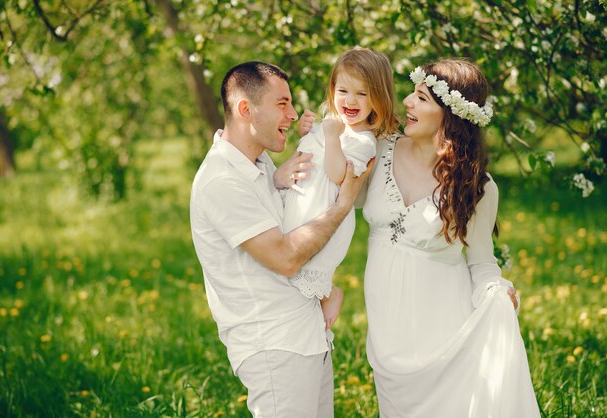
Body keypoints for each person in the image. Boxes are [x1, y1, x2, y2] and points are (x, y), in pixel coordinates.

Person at [189, 61, 371, 418]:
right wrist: (342, 204)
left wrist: (276, 182)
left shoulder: (258, 165)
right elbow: (286, 257)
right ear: (246, 110)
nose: (292, 114)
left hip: (306, 334)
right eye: (281, 104)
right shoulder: (221, 181)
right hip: (274, 345)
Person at [360, 59, 541, 417]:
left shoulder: (478, 187)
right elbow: (333, 200)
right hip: (388, 336)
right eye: (412, 93)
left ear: (450, 116)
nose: (408, 103)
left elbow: (482, 262)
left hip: (446, 336)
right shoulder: (378, 152)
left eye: (422, 98)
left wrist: (496, 290)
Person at [282, 47, 399, 329]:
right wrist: (309, 131)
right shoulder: (332, 125)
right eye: (343, 90)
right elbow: (310, 151)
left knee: (305, 265)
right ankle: (321, 297)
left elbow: (337, 175)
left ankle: (329, 294)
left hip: (323, 215)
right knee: (287, 259)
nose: (350, 100)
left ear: (377, 100)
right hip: (301, 204)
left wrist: (331, 136)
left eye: (362, 94)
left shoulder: (362, 141)